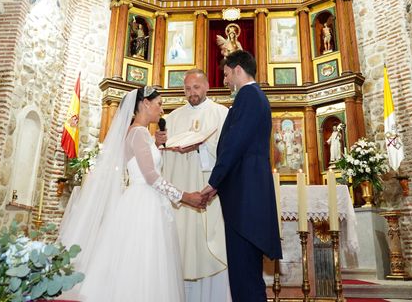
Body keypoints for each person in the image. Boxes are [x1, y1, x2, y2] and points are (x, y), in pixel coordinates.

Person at [58, 87, 206, 302]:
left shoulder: (139, 133)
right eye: (159, 104)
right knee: (143, 263)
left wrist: (155, 144)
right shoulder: (138, 132)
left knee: (138, 262)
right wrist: (185, 196)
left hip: (142, 200)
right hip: (144, 204)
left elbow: (141, 164)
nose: (161, 110)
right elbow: (151, 176)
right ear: (145, 103)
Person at [202, 50, 282, 302]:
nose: (224, 80)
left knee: (244, 274)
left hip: (245, 195)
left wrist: (213, 182)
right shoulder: (254, 97)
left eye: (226, 74)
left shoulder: (248, 96)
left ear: (238, 69)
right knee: (246, 273)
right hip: (246, 193)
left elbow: (234, 144)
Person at [157, 69, 231, 302]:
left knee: (207, 244)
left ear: (207, 86)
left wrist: (200, 147)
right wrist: (159, 143)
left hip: (207, 191)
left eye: (196, 88)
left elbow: (228, 152)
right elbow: (160, 159)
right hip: (181, 194)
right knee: (180, 246)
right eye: (187, 89)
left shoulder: (222, 114)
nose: (192, 93)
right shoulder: (172, 117)